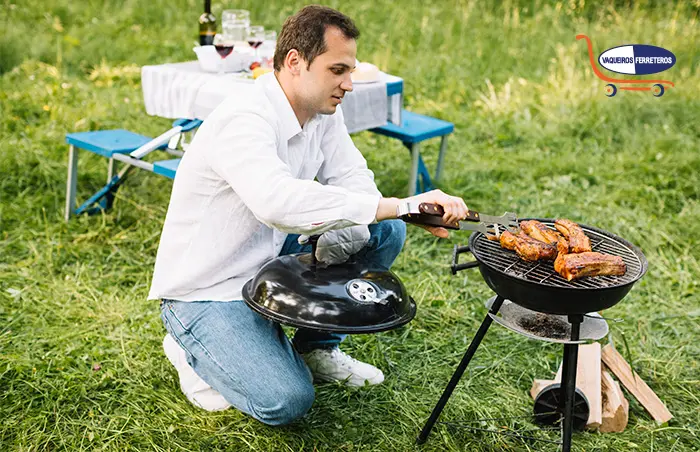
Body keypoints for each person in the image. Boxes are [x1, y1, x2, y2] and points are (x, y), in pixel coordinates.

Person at [148, 5, 468, 425]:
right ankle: (190, 346)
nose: (349, 84)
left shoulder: (320, 112)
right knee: (286, 401)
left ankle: (316, 347)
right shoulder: (244, 117)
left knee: (384, 230)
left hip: (268, 253)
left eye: (350, 70)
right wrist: (399, 204)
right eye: (338, 70)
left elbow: (354, 178)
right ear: (296, 62)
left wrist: (400, 213)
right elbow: (276, 201)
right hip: (207, 287)